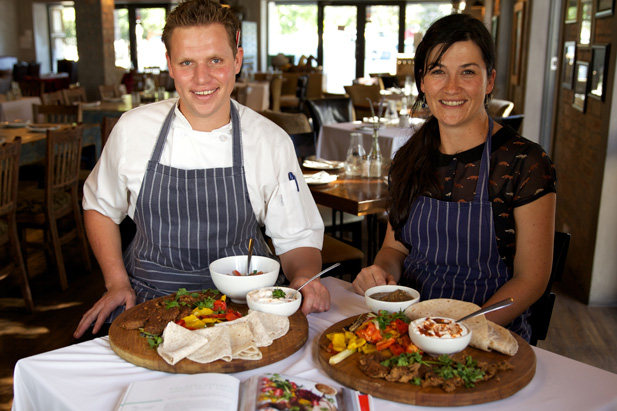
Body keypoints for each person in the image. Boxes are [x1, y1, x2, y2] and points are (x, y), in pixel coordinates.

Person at [74, 0, 329, 339]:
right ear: (170, 65)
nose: (201, 78)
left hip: (243, 311)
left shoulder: (269, 141)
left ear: (237, 59)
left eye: (216, 60)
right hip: (148, 305)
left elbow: (297, 237)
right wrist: (116, 282)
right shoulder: (133, 129)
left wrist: (303, 278)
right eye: (186, 62)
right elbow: (99, 207)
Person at [352, 13, 556, 342]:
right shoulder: (408, 159)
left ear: (489, 81)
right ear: (422, 81)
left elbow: (531, 279)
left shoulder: (524, 162)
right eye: (438, 72)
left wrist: (464, 330)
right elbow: (394, 249)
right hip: (410, 332)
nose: (451, 87)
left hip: (490, 337)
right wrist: (382, 275)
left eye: (467, 72)